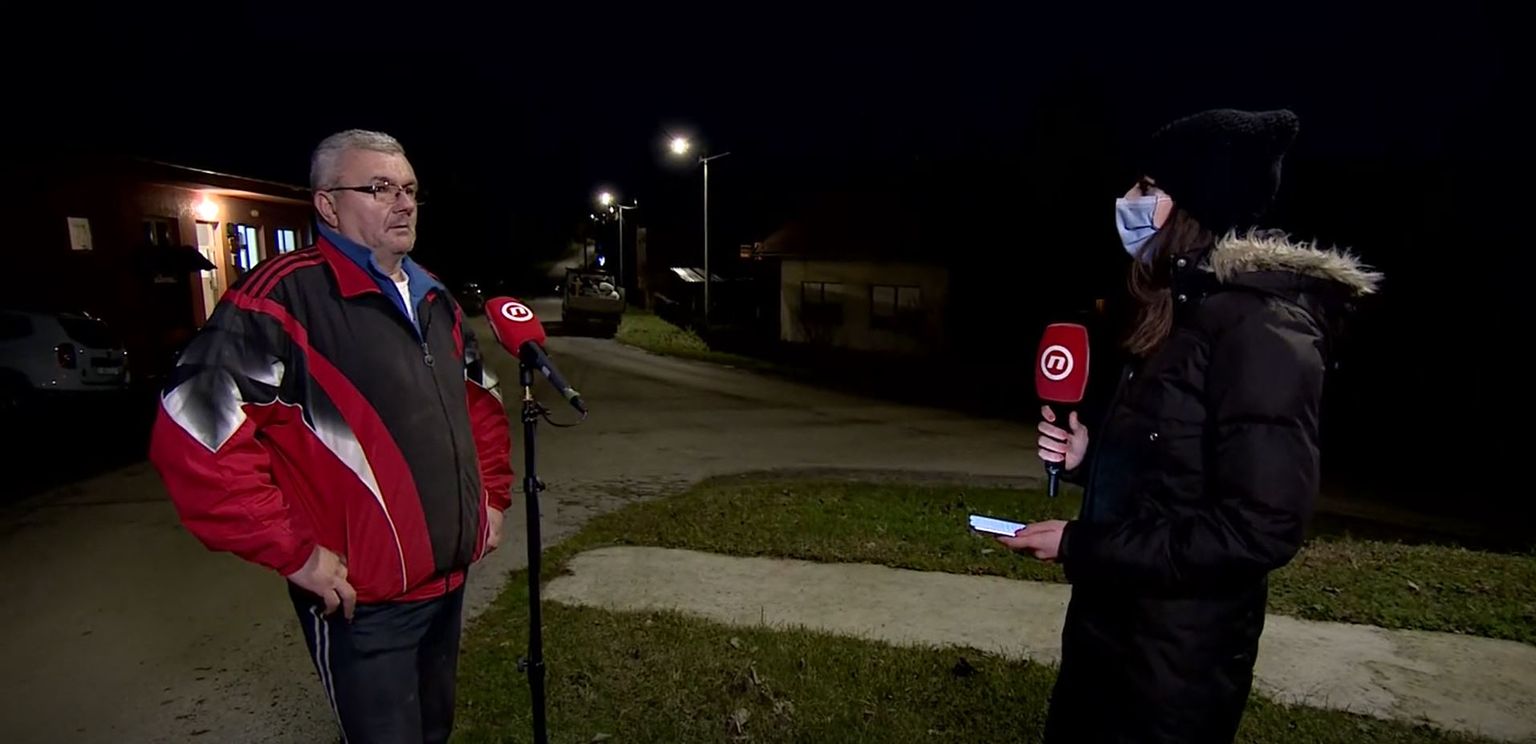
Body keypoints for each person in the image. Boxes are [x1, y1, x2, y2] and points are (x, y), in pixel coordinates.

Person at [1000, 109, 1380, 743]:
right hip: (1111, 637)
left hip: (1173, 671)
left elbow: (1259, 528)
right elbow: (1177, 468)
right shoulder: (1180, 311)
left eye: (1147, 187)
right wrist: (1091, 461)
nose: (1127, 199)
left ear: (1198, 201)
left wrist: (1081, 546)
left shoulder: (1262, 330)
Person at [150, 129, 513, 744]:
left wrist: (492, 500)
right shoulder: (283, 299)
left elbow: (480, 402)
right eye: (380, 188)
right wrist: (293, 552)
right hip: (362, 604)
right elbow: (193, 428)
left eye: (410, 189)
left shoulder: (434, 296)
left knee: (434, 732)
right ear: (328, 204)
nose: (403, 203)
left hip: (447, 585)